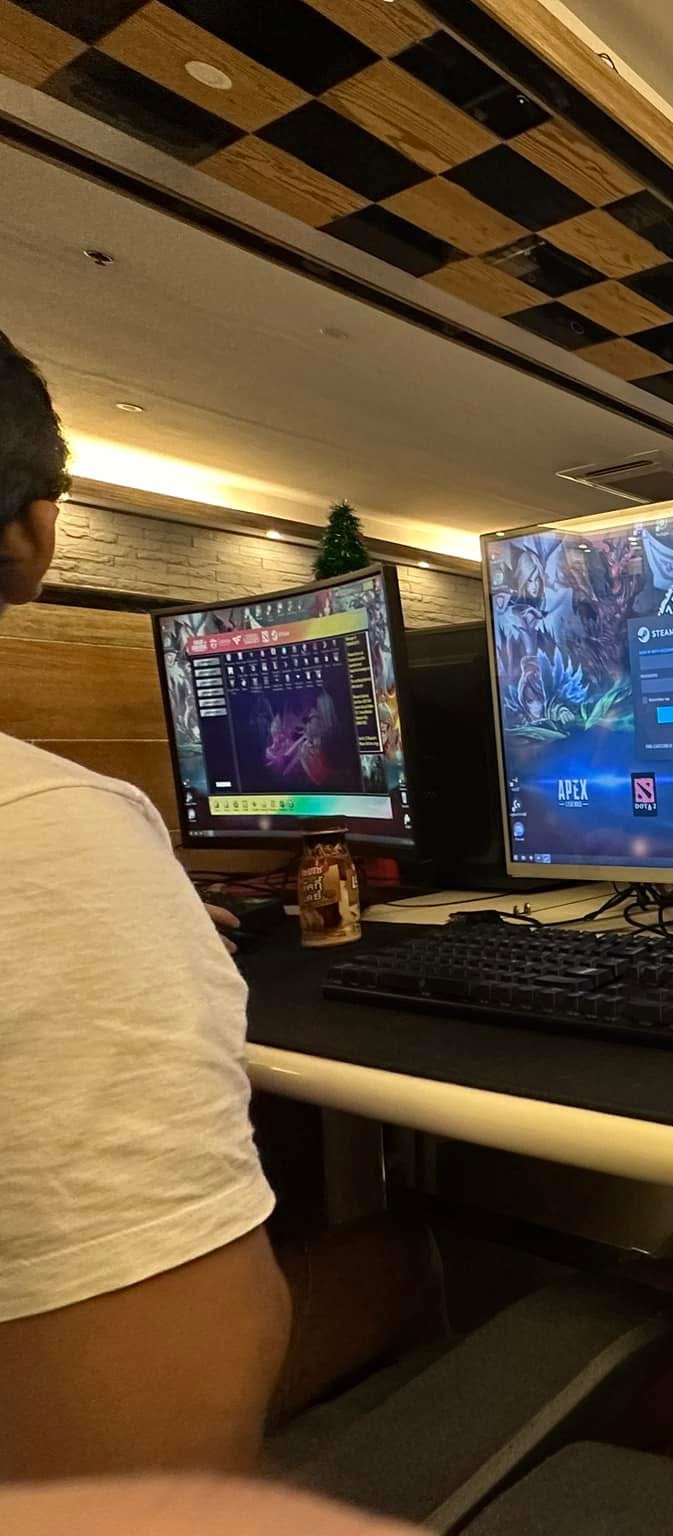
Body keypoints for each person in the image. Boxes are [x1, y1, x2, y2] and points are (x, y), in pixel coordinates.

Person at [0, 329, 291, 1477]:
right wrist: (106, 901)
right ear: (36, 534)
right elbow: (155, 1458)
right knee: (666, 1299)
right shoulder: (43, 834)